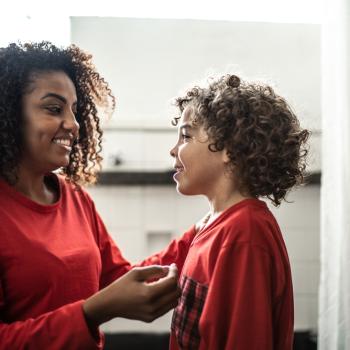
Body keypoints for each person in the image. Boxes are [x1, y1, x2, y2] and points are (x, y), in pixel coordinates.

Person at [0, 42, 197, 350]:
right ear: (8, 115)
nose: (74, 124)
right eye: (54, 108)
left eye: (75, 110)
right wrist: (91, 313)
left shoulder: (75, 198)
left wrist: (204, 231)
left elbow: (120, 277)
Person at [168, 74, 309, 349]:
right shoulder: (217, 224)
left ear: (228, 147)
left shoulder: (244, 234)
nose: (173, 150)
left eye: (185, 136)